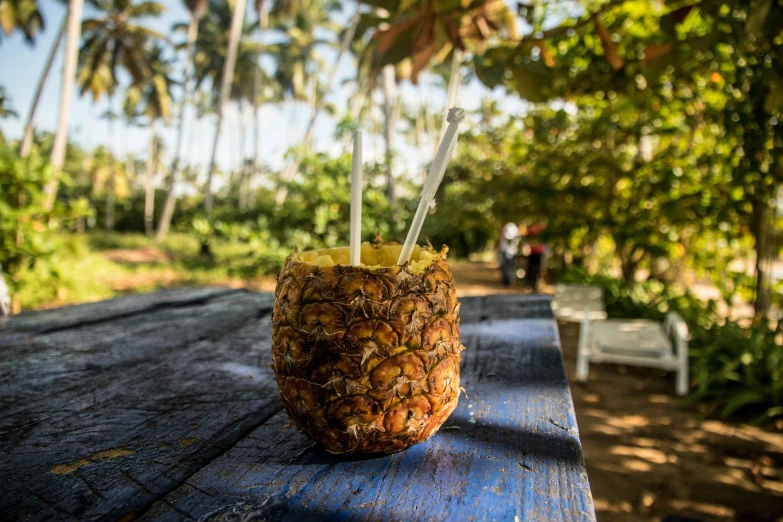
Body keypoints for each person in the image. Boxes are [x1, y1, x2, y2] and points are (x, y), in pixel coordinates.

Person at [524, 222, 546, 290]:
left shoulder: (541, 233)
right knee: (530, 269)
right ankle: (530, 284)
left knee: (539, 269)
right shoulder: (530, 232)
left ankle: (537, 284)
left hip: (539, 253)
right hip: (532, 253)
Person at [498, 222, 520, 287]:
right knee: (507, 266)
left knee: (508, 266)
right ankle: (506, 280)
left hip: (508, 250)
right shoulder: (511, 227)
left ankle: (507, 280)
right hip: (507, 250)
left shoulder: (511, 227)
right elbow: (508, 237)